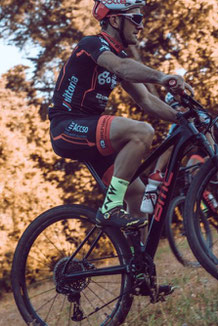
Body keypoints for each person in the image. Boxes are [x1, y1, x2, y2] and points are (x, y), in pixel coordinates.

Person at [49, 0, 193, 295]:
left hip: (89, 132)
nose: (141, 24)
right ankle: (111, 206)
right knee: (141, 131)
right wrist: (162, 77)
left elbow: (147, 101)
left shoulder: (120, 57)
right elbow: (120, 66)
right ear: (115, 21)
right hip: (67, 127)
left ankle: (136, 275)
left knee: (138, 196)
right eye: (136, 18)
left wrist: (183, 117)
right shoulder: (93, 45)